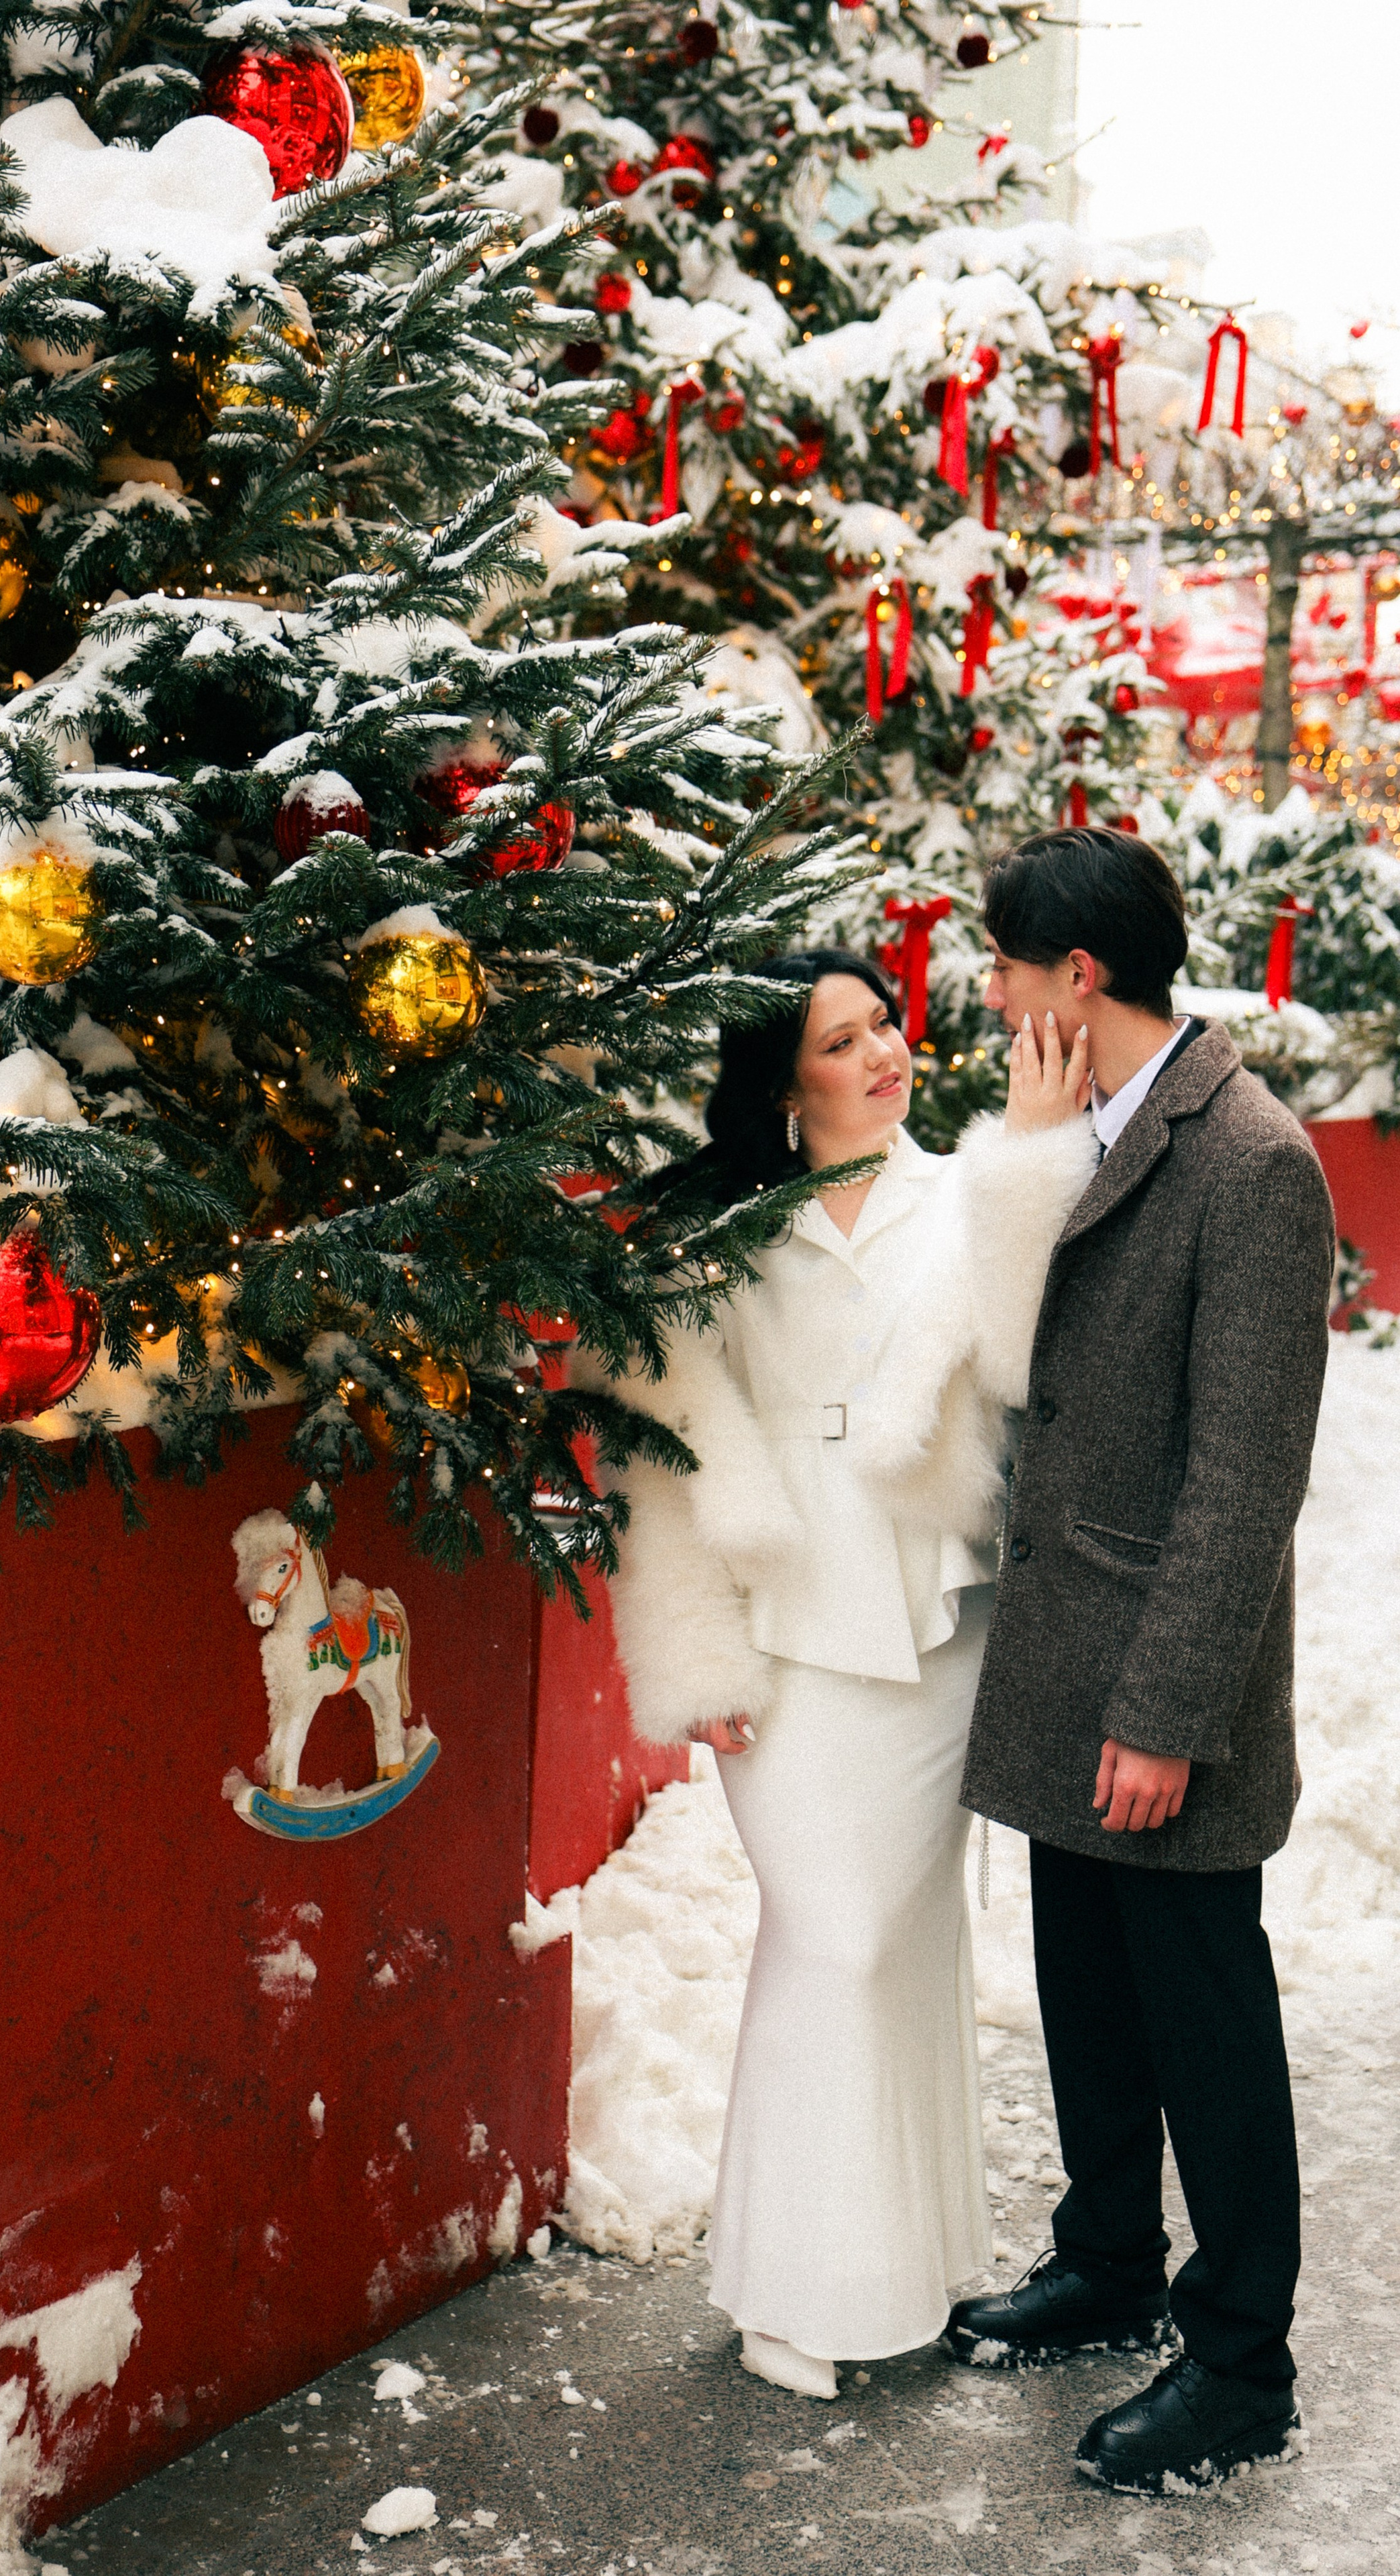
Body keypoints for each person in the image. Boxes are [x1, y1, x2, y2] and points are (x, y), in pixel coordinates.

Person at [590, 947, 1096, 2401]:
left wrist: (1034, 1161)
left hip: (939, 1622)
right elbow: (660, 1457)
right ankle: (788, 2286)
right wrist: (694, 1655)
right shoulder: (709, 1236)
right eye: (841, 1040)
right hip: (783, 1625)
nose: (884, 1053)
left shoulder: (964, 1195)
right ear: (781, 1082)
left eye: (885, 1024)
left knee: (907, 1942)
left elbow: (1022, 1363)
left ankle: (912, 2264)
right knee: (834, 1940)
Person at [926, 828, 1336, 2496]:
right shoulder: (1069, 1129)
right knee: (1086, 1995)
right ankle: (1105, 2262)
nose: (989, 994)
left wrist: (1166, 1715)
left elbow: (1244, 1480)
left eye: (1004, 966)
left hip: (1164, 1678)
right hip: (1058, 1658)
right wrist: (1021, 1157)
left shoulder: (1249, 1161)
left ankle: (1238, 2363)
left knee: (1202, 2022)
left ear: (1074, 976)